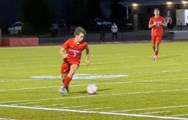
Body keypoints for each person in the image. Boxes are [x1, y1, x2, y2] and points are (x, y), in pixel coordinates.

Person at [59, 27, 90, 94]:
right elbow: (61, 50)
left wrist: (87, 58)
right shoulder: (69, 41)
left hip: (75, 62)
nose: (82, 38)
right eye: (81, 37)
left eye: (83, 37)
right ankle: (66, 85)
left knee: (72, 72)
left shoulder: (84, 44)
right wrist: (64, 55)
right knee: (63, 78)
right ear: (76, 35)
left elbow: (87, 50)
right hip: (66, 61)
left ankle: (63, 87)